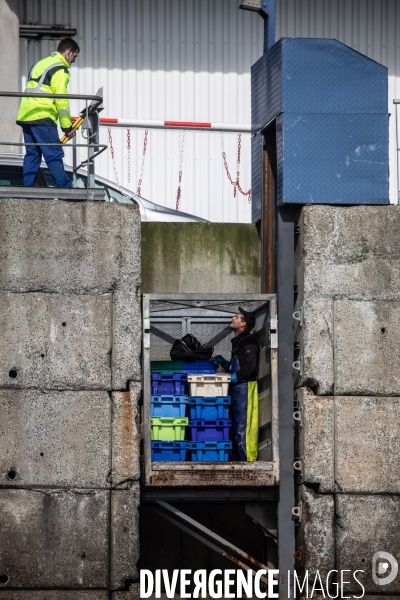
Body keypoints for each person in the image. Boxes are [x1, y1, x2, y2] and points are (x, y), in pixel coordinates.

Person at [16, 37, 80, 188]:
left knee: (33, 154)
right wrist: (67, 127)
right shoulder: (59, 69)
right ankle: (64, 187)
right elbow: (61, 99)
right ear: (68, 52)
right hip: (43, 115)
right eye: (74, 56)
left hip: (26, 115)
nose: (74, 61)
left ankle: (28, 190)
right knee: (53, 152)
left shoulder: (40, 63)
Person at [214, 307, 260, 462]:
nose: (233, 317)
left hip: (245, 387)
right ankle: (236, 460)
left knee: (243, 427)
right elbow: (238, 365)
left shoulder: (248, 341)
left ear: (243, 324)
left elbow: (250, 367)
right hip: (236, 388)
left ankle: (247, 462)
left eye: (238, 316)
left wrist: (235, 377)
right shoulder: (238, 341)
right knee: (234, 426)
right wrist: (225, 364)